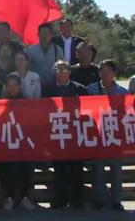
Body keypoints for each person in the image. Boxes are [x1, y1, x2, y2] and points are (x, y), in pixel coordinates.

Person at [42, 61, 86, 209]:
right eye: (58, 69)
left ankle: (77, 199)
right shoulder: (47, 89)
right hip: (57, 132)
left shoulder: (79, 89)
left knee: (76, 168)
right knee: (59, 169)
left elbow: (87, 110)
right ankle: (60, 198)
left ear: (69, 72)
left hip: (75, 133)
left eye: (64, 69)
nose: (61, 72)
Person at [87, 59, 127, 211]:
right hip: (98, 135)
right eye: (102, 71)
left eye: (109, 71)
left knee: (116, 170)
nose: (105, 74)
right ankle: (100, 198)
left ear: (114, 73)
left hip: (116, 136)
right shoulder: (91, 89)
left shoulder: (122, 92)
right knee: (98, 170)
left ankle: (116, 199)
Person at [0, 73, 35, 211]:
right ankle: (8, 197)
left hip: (24, 140)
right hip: (8, 140)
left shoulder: (26, 101)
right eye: (9, 86)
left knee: (25, 169)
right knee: (8, 170)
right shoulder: (1, 102)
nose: (12, 88)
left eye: (15, 85)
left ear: (20, 86)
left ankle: (25, 197)